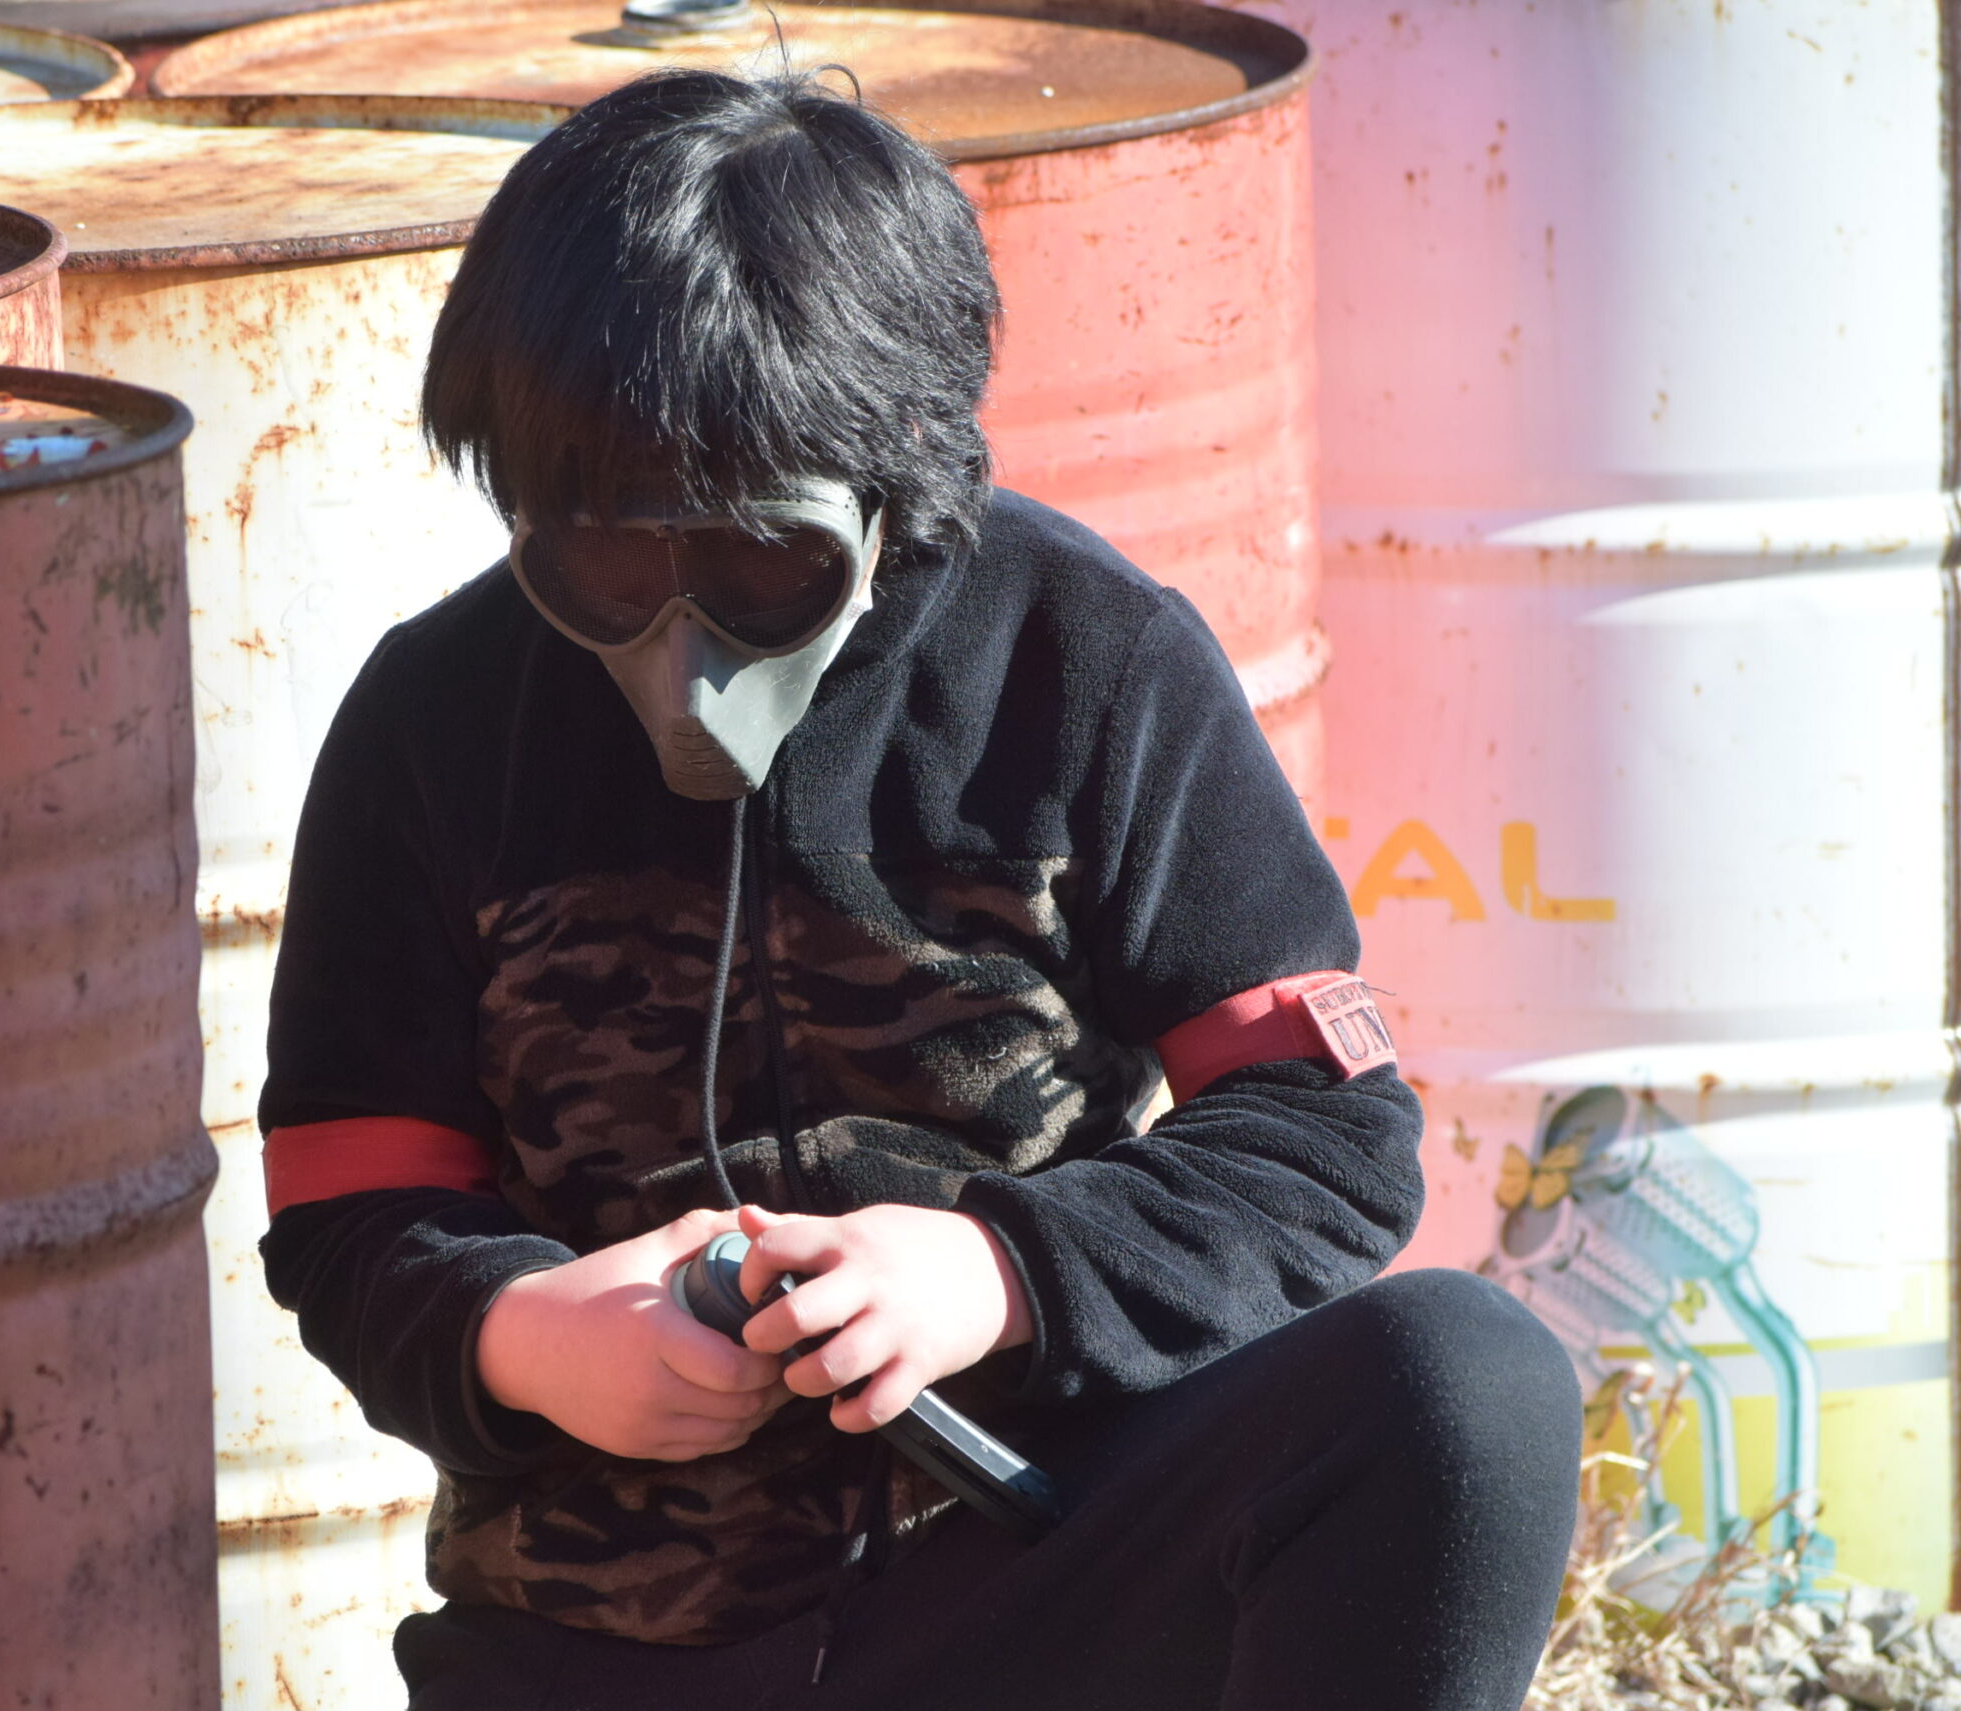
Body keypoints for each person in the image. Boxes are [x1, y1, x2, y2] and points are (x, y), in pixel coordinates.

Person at [257, 67, 1582, 1711]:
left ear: (900, 475)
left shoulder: (1083, 661)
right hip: (603, 1646)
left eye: (759, 563)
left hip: (1037, 1582)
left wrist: (994, 1274)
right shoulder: (435, 718)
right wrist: (527, 1333)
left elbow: (1324, 1133)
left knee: (1461, 1381)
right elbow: (348, 1210)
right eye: (604, 559)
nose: (681, 647)